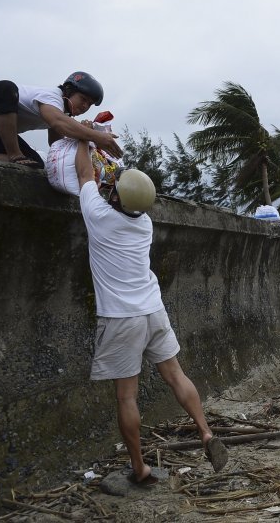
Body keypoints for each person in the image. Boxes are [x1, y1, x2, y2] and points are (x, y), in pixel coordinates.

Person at [74, 140, 227, 484]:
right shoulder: (144, 224)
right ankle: (205, 432)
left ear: (116, 198)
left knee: (127, 395)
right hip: (153, 310)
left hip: (121, 317)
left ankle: (140, 468)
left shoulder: (98, 215)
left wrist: (83, 136)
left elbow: (84, 172)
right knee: (175, 374)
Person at [0, 72, 121, 168]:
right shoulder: (52, 97)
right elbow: (59, 123)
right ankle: (14, 154)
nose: (85, 106)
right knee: (6, 88)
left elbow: (56, 144)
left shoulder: (61, 113)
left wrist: (86, 147)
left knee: (35, 164)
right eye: (83, 99)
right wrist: (96, 136)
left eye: (90, 104)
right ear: (68, 91)